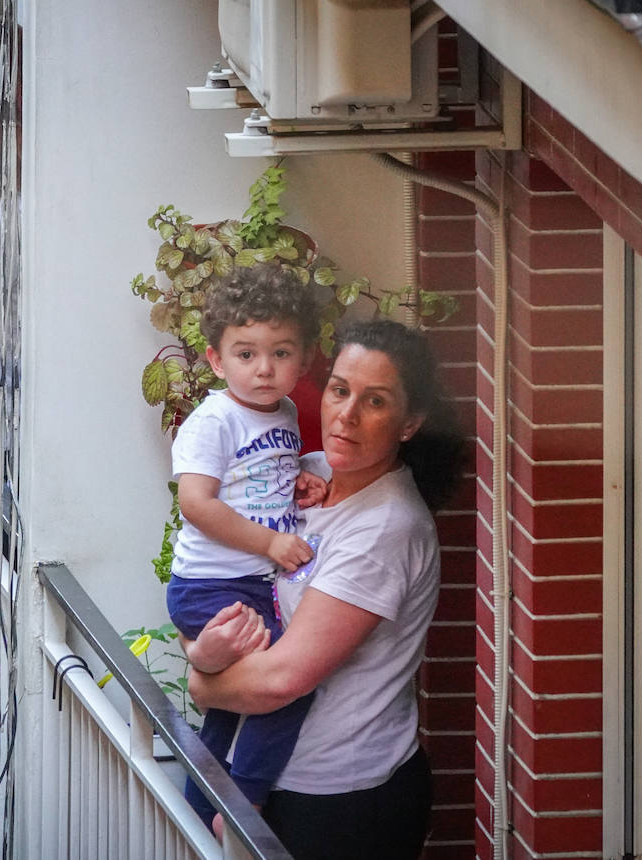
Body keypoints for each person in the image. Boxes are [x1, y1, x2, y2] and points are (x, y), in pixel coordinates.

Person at [186, 319, 466, 860]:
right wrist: (203, 646)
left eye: (376, 401)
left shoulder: (385, 527)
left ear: (409, 424)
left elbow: (281, 680)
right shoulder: (304, 477)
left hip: (341, 802)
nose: (347, 414)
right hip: (269, 778)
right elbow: (212, 580)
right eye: (340, 390)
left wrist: (202, 680)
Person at [166, 264, 327, 828]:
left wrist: (302, 474)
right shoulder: (214, 422)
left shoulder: (281, 412)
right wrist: (271, 542)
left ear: (303, 359)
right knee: (285, 681)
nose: (264, 369)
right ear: (215, 359)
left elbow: (263, 475)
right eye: (246, 353)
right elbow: (197, 504)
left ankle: (204, 800)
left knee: (239, 701)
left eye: (281, 353)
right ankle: (246, 801)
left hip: (252, 582)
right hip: (212, 585)